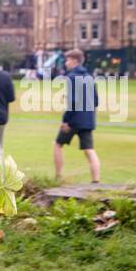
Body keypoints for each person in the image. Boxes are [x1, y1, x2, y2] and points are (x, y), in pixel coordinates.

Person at [54, 47, 100, 183]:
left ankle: (58, 177)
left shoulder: (71, 77)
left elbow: (72, 102)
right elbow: (96, 101)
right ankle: (96, 181)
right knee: (89, 150)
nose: (66, 63)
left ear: (74, 61)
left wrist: (65, 121)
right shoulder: (89, 77)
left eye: (67, 60)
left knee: (57, 144)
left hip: (74, 120)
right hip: (88, 120)